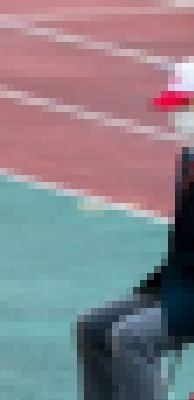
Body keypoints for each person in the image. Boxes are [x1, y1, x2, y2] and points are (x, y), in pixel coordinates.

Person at [76, 61, 194, 400]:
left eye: (185, 105)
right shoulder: (188, 157)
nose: (177, 116)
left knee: (132, 338)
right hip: (180, 285)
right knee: (92, 328)